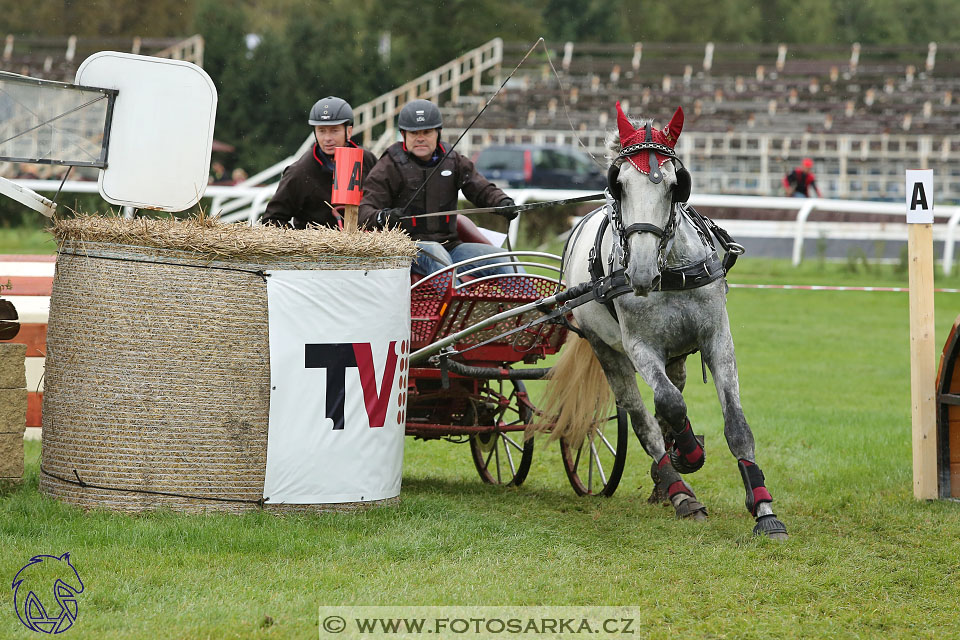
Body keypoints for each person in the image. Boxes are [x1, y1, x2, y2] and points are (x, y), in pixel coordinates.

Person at [359, 99, 517, 278]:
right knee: (436, 254)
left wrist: (502, 202)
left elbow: (481, 189)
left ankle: (534, 304)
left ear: (438, 133)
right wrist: (384, 217)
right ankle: (458, 305)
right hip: (407, 251)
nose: (420, 138)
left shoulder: (454, 160)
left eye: (427, 132)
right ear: (403, 135)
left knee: (504, 260)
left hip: (451, 248)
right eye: (414, 133)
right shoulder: (388, 166)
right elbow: (364, 212)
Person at [262, 96, 377, 229]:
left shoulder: (368, 161)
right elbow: (271, 220)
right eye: (321, 131)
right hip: (316, 248)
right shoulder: (299, 172)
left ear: (349, 132)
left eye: (334, 131)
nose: (327, 138)